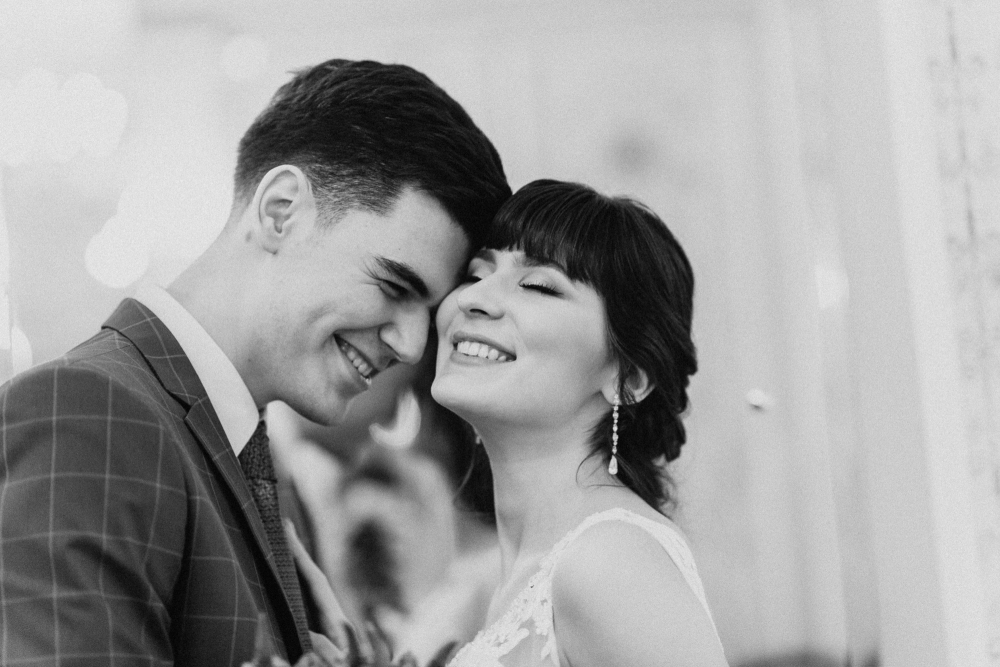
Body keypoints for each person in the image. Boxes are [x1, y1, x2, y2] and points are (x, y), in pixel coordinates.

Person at [0, 58, 509, 666]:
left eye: (430, 312)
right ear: (280, 210)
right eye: (394, 286)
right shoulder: (88, 415)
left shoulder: (268, 473)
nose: (412, 345)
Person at [431, 180, 728, 666]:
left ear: (628, 377)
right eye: (475, 274)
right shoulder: (525, 570)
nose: (474, 298)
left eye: (538, 286)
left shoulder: (609, 560)